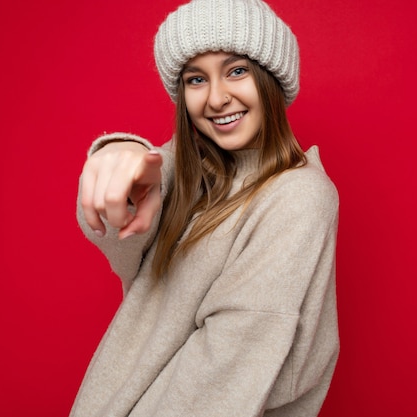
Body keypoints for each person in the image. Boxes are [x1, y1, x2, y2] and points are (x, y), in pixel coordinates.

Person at [70, 0, 340, 416]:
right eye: (196, 79)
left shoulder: (298, 196)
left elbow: (224, 368)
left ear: (271, 77)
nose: (216, 98)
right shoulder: (189, 170)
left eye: (237, 70)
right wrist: (117, 156)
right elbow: (119, 229)